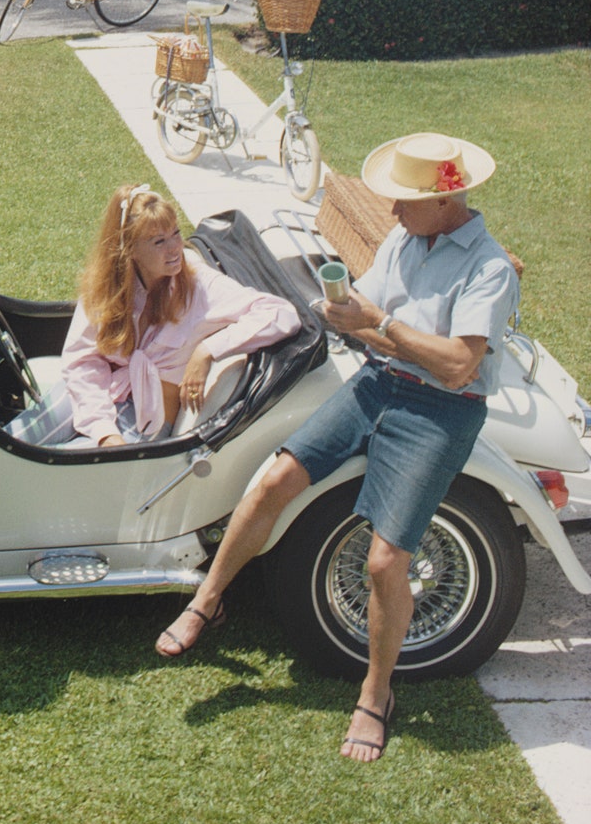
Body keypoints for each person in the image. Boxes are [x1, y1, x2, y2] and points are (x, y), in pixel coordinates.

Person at [154, 131, 517, 767]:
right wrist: (342, 308)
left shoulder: (486, 268)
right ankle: (207, 602)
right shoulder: (408, 237)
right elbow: (367, 306)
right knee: (273, 480)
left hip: (441, 408)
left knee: (383, 563)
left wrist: (379, 325)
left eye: (404, 200)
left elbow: (460, 366)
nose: (393, 212)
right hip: (379, 383)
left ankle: (375, 696)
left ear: (445, 200)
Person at [16, 184, 300, 448]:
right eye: (159, 241)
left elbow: (281, 313)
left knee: (62, 474)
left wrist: (207, 350)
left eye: (176, 233)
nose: (175, 247)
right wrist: (104, 430)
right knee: (19, 442)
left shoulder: (200, 284)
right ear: (131, 250)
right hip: (102, 390)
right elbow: (82, 362)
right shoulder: (105, 288)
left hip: (147, 415)